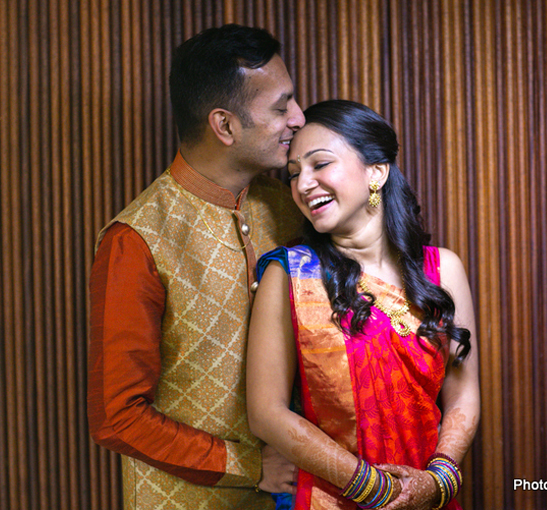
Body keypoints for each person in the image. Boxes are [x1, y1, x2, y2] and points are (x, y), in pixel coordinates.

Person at [87, 24, 306, 509]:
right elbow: (117, 416)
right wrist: (252, 468)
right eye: (280, 106)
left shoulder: (293, 208)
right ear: (224, 125)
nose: (299, 117)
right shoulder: (137, 240)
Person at [247, 99, 480, 509]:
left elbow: (463, 395)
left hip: (427, 497)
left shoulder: (441, 270)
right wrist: (376, 489)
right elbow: (266, 413)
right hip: (328, 498)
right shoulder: (289, 275)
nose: (302, 185)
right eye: (294, 173)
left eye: (320, 165)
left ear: (377, 170)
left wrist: (436, 481)